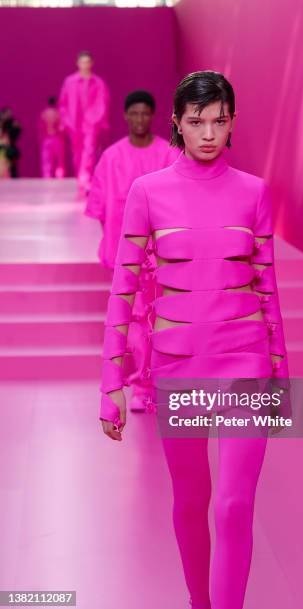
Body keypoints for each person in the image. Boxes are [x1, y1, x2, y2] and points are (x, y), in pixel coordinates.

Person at [99, 71, 290, 609]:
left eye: (219, 120)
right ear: (177, 125)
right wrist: (111, 384)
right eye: (196, 121)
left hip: (246, 362)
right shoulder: (147, 193)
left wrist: (280, 373)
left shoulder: (254, 192)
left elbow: (268, 290)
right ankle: (199, 603)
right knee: (191, 500)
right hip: (178, 365)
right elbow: (123, 293)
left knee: (232, 505)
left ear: (232, 123)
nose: (209, 133)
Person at [86, 89, 179, 411]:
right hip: (124, 251)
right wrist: (112, 245)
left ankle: (158, 382)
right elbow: (99, 206)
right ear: (126, 116)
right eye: (134, 113)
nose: (139, 119)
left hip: (161, 254)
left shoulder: (168, 153)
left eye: (145, 113)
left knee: (161, 317)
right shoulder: (111, 157)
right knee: (137, 319)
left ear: (153, 117)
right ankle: (142, 386)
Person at [58, 50, 109, 194]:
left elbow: (103, 102)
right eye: (82, 62)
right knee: (77, 152)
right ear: (78, 63)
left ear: (91, 63)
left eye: (87, 62)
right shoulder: (69, 82)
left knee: (89, 149)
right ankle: (81, 177)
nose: (85, 65)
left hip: (91, 123)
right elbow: (63, 102)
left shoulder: (98, 83)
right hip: (73, 123)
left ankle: (85, 178)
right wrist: (65, 120)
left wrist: (96, 119)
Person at [38, 96, 65, 178]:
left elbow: (41, 127)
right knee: (59, 159)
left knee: (46, 160)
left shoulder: (44, 113)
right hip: (56, 138)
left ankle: (47, 177)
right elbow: (61, 127)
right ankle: (60, 176)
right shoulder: (58, 114)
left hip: (47, 139)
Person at [0, 107, 21, 178]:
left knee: (9, 168)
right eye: (7, 114)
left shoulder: (12, 123)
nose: (9, 115)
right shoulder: (2, 122)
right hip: (2, 149)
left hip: (8, 149)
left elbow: (16, 134)